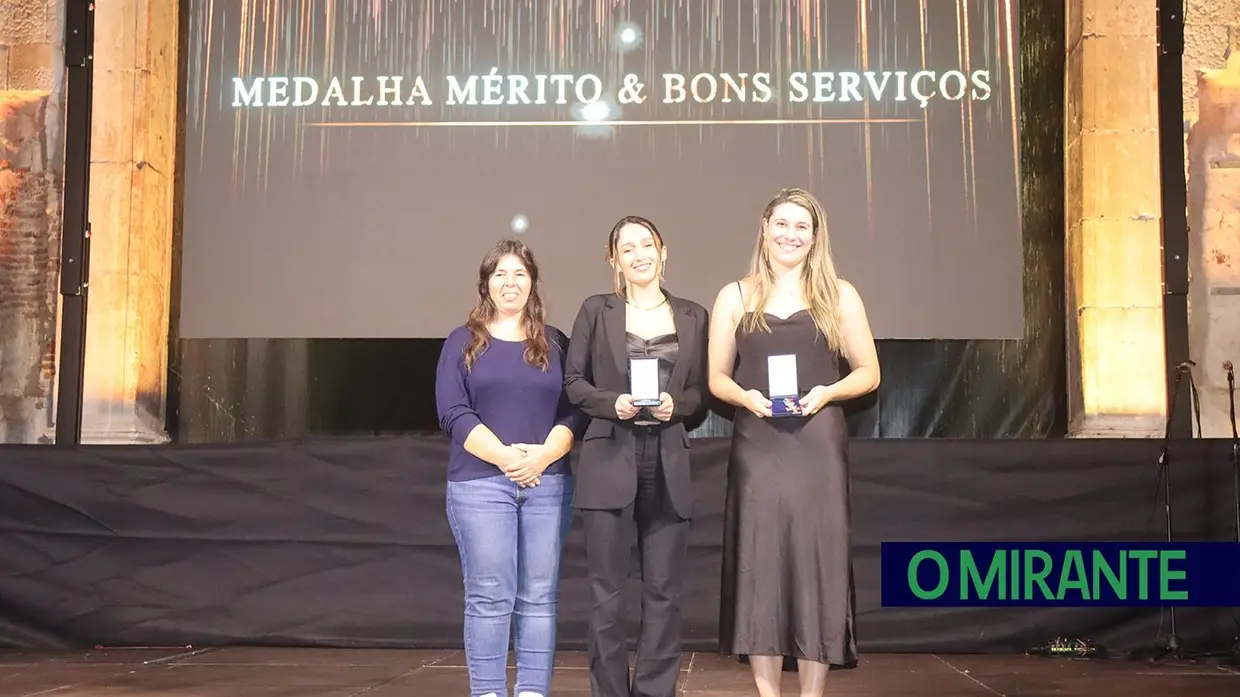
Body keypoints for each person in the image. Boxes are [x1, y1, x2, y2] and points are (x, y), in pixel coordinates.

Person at [708, 188, 880, 697]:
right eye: (781, 223)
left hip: (818, 446)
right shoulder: (734, 296)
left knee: (817, 564)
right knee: (759, 564)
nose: (790, 234)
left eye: (801, 226)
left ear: (815, 236)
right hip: (758, 444)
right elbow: (717, 377)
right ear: (764, 228)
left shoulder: (840, 295)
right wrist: (744, 395)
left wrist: (830, 391)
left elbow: (869, 373)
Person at [563, 216, 709, 697]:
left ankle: (653, 692)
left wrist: (677, 406)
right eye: (628, 248)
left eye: (647, 244)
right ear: (614, 260)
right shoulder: (595, 310)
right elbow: (574, 383)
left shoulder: (693, 314)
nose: (639, 253)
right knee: (607, 595)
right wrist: (612, 403)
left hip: (667, 457)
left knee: (663, 594)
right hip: (610, 457)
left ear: (663, 252)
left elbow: (699, 393)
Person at [435, 238, 583, 697]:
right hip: (481, 485)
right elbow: (453, 412)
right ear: (486, 284)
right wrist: (506, 457)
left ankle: (533, 691)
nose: (510, 282)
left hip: (548, 482)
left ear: (533, 282)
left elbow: (574, 410)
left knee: (539, 598)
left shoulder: (555, 342)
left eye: (519, 273)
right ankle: (488, 692)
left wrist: (541, 456)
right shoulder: (462, 341)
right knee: (489, 598)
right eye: (500, 273)